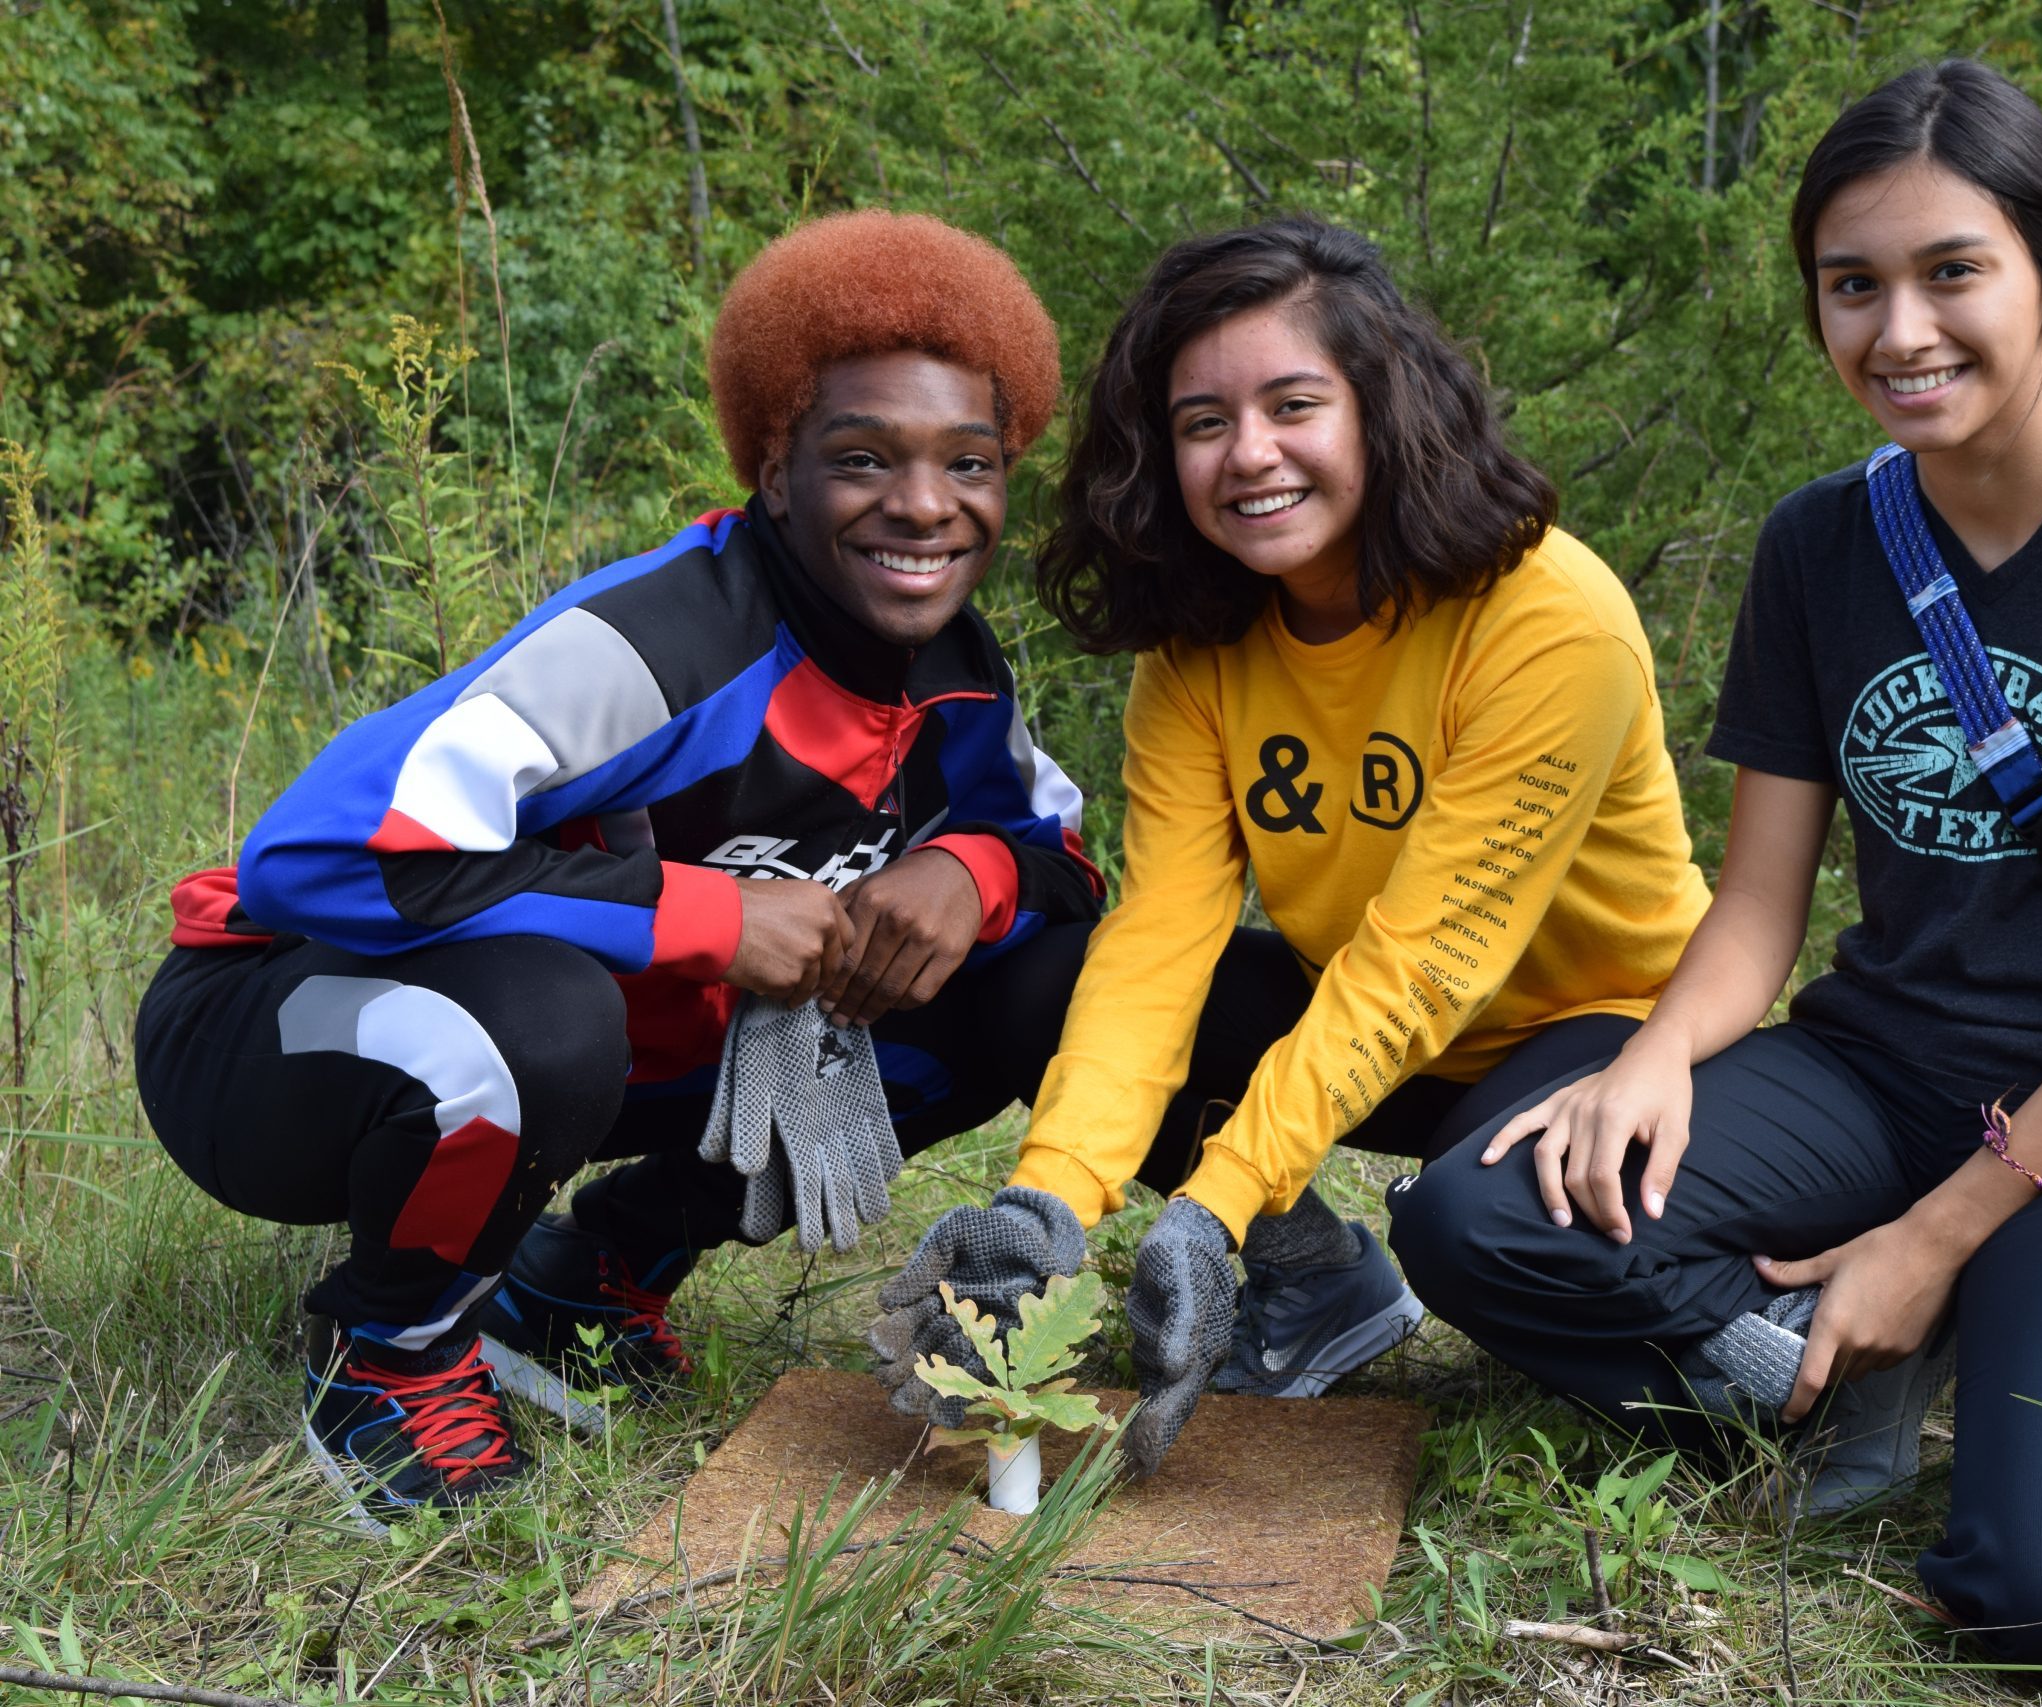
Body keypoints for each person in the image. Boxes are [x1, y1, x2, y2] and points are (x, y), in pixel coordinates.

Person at [1387, 60, 2042, 1673]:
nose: (1900, 332)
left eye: (1952, 271)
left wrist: (1940, 1231)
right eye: (1853, 286)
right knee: (1488, 1215)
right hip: (1885, 1064)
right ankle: (1857, 1372)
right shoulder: (1824, 543)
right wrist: (1658, 1059)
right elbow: (1758, 900)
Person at [133, 211, 1104, 1526]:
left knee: (1026, 985)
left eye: (968, 462)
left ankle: (593, 1269)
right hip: (276, 1029)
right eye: (863, 456)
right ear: (776, 467)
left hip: (584, 1050)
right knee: (547, 1011)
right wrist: (710, 910)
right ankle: (390, 1353)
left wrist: (975, 870)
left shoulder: (955, 671)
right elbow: (312, 854)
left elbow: (1065, 862)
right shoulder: (663, 641)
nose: (924, 504)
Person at [863, 217, 1711, 1476]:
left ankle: (1764, 1337)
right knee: (1044, 980)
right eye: (1203, 422)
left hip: (1596, 1035)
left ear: (1382, 409)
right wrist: (1047, 1205)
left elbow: (1429, 962)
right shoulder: (1198, 652)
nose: (1248, 454)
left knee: (1465, 1231)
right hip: (1381, 1039)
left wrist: (1213, 1204)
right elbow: (1158, 942)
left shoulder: (1545, 615)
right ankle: (1314, 1284)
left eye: (1293, 404)